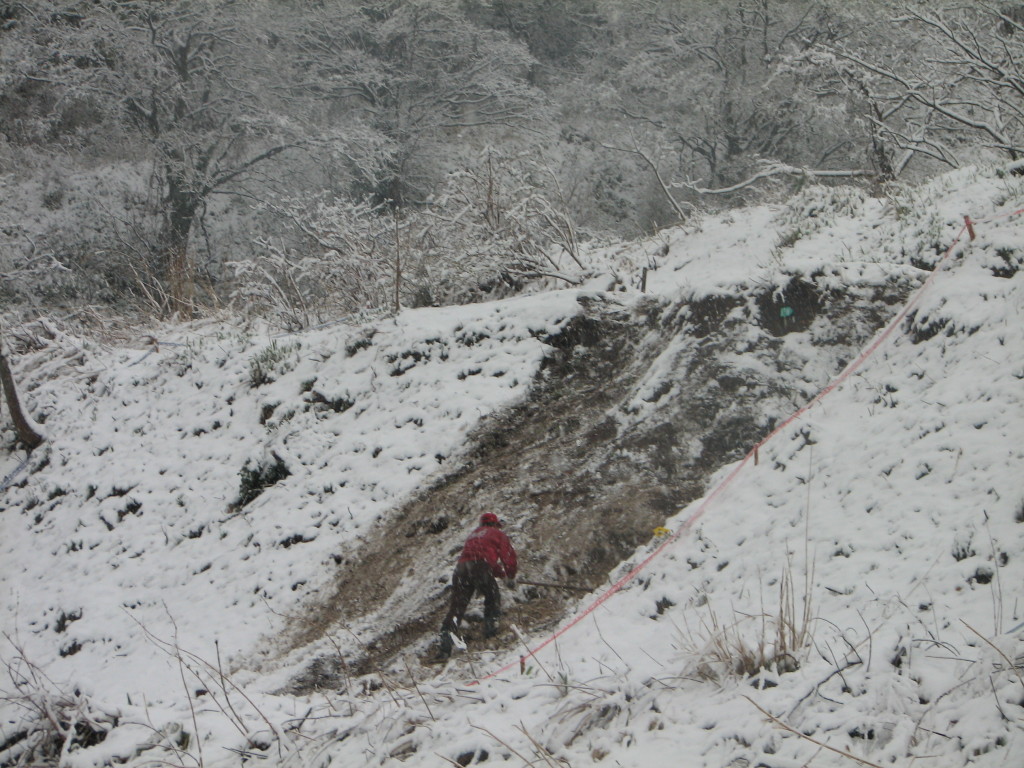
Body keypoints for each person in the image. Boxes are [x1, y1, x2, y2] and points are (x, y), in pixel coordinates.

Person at [438, 512, 517, 658]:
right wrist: (510, 576)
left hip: (461, 570)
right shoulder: (497, 534)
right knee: (493, 597)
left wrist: (501, 575)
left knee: (457, 608)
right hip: (480, 567)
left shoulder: (473, 535)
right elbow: (506, 556)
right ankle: (491, 632)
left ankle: (445, 645)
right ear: (495, 524)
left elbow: (484, 559)